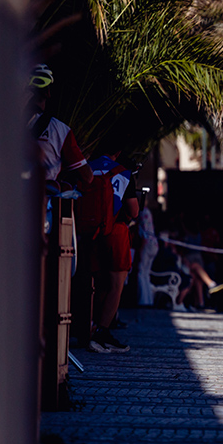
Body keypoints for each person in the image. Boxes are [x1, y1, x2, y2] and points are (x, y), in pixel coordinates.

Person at [85, 150, 139, 353]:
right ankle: (102, 333)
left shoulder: (88, 167)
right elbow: (133, 211)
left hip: (90, 232)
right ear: (118, 151)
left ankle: (90, 328)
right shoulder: (123, 173)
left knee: (99, 285)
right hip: (115, 230)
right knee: (116, 285)